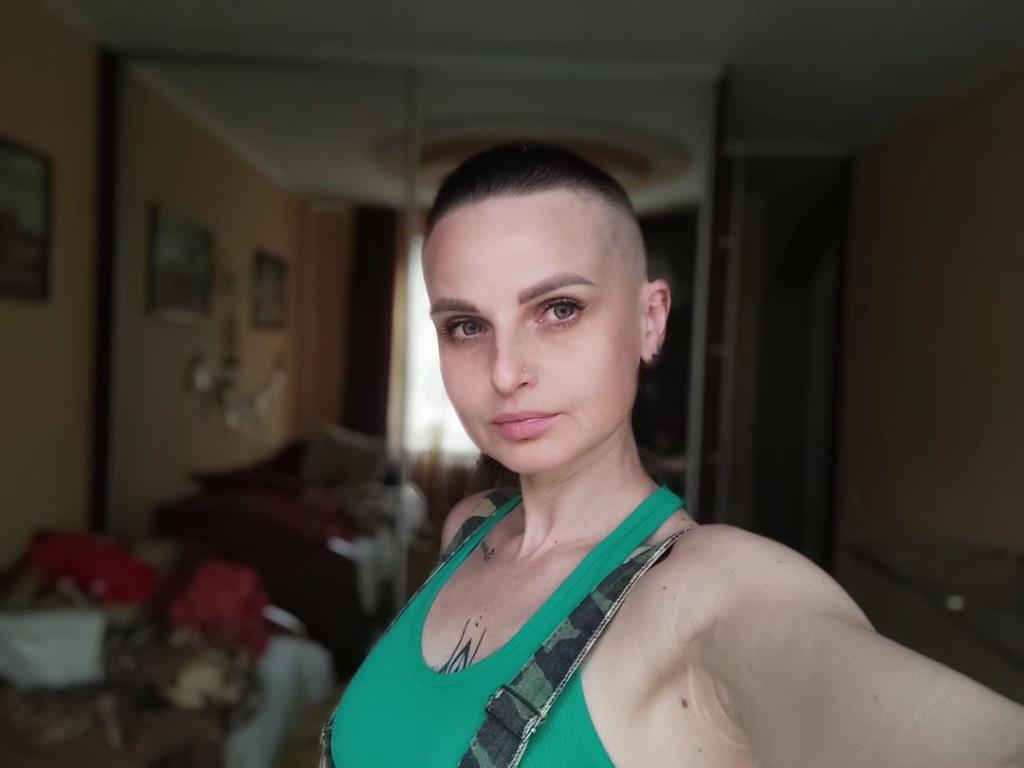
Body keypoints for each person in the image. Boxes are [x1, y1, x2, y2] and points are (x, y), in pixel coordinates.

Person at [322, 143, 1024, 767]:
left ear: (650, 319)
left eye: (559, 309)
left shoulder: (708, 593)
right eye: (466, 325)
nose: (505, 372)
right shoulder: (470, 526)